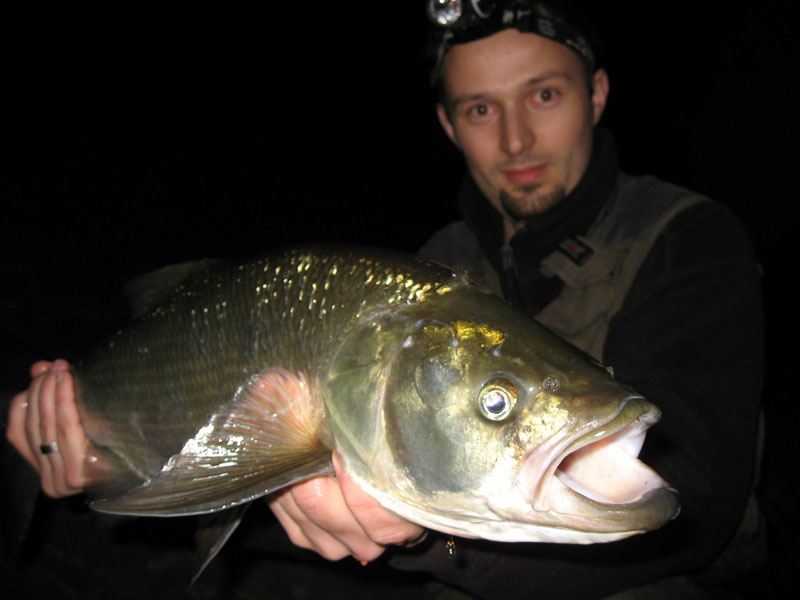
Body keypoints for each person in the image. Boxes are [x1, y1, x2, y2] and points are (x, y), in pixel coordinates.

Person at [7, 1, 765, 598]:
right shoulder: (438, 261)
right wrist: (106, 464)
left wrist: (423, 536)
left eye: (543, 94)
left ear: (596, 93)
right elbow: (279, 503)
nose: (516, 139)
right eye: (480, 108)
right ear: (448, 123)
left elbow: (698, 501)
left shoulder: (689, 238)